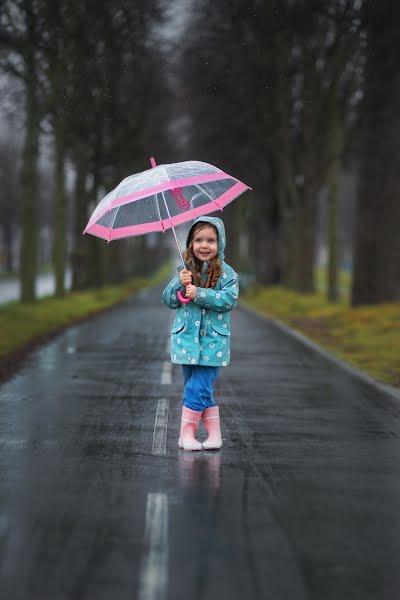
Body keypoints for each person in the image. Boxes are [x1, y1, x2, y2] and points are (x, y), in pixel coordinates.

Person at [162, 216, 239, 451]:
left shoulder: (227, 274)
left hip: (213, 342)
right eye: (198, 240)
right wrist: (178, 282)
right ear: (190, 243)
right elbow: (169, 300)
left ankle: (186, 434)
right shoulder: (185, 271)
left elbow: (229, 300)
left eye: (211, 240)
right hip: (186, 341)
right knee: (198, 389)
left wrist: (200, 293)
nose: (204, 245)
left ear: (220, 243)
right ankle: (214, 434)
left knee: (198, 388)